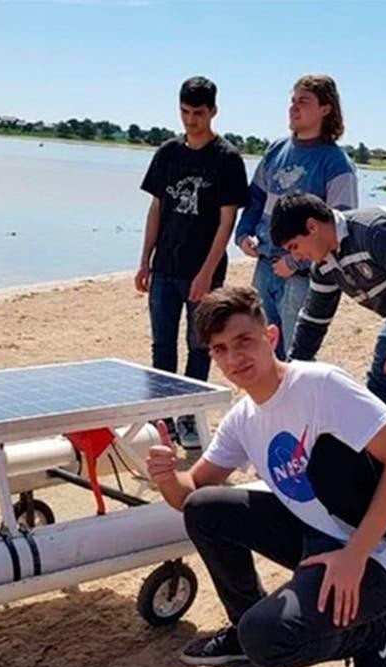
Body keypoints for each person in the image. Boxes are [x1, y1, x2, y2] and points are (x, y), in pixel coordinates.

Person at [146, 285, 386, 667]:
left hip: (379, 554)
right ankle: (243, 623)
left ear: (271, 337)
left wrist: (354, 554)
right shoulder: (243, 417)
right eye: (220, 349)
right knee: (205, 508)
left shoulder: (320, 385)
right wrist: (168, 476)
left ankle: (373, 636)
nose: (235, 357)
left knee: (267, 639)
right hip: (316, 537)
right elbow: (188, 495)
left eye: (244, 341)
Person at [136, 76, 249, 450]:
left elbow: (226, 221)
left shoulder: (227, 159)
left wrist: (205, 273)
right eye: (184, 112)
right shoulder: (168, 153)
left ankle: (188, 418)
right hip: (164, 267)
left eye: (198, 113)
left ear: (213, 111)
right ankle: (161, 417)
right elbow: (155, 209)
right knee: (162, 347)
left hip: (203, 271)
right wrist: (144, 261)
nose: (190, 120)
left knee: (199, 347)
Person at [270, 192, 386, 425]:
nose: (297, 257)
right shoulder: (324, 265)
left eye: (294, 247)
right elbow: (314, 320)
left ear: (312, 227)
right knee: (377, 392)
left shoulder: (374, 232)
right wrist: (294, 372)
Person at [234, 75, 358, 360]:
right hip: (264, 268)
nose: (293, 108)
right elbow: (255, 198)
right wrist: (243, 233)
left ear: (325, 109)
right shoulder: (276, 150)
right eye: (292, 101)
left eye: (303, 101)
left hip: (303, 277)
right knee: (262, 351)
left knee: (296, 356)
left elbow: (342, 228)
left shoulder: (337, 163)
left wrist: (294, 261)